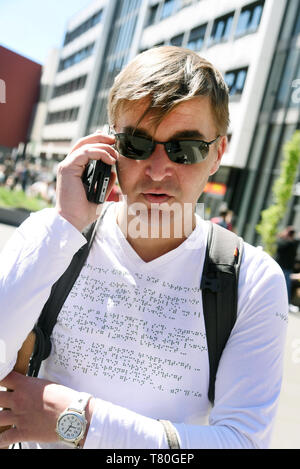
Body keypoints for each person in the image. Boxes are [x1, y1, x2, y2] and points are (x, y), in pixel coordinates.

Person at [0, 46, 288, 449]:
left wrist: (82, 422)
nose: (157, 170)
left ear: (217, 153)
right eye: (136, 144)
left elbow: (242, 442)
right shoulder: (51, 237)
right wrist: (65, 226)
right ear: (109, 147)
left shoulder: (251, 279)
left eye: (184, 149)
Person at [276, 226, 300, 313]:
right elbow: (280, 247)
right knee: (278, 285)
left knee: (286, 287)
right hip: (280, 267)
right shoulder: (284, 242)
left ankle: (285, 304)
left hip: (287, 269)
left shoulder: (293, 243)